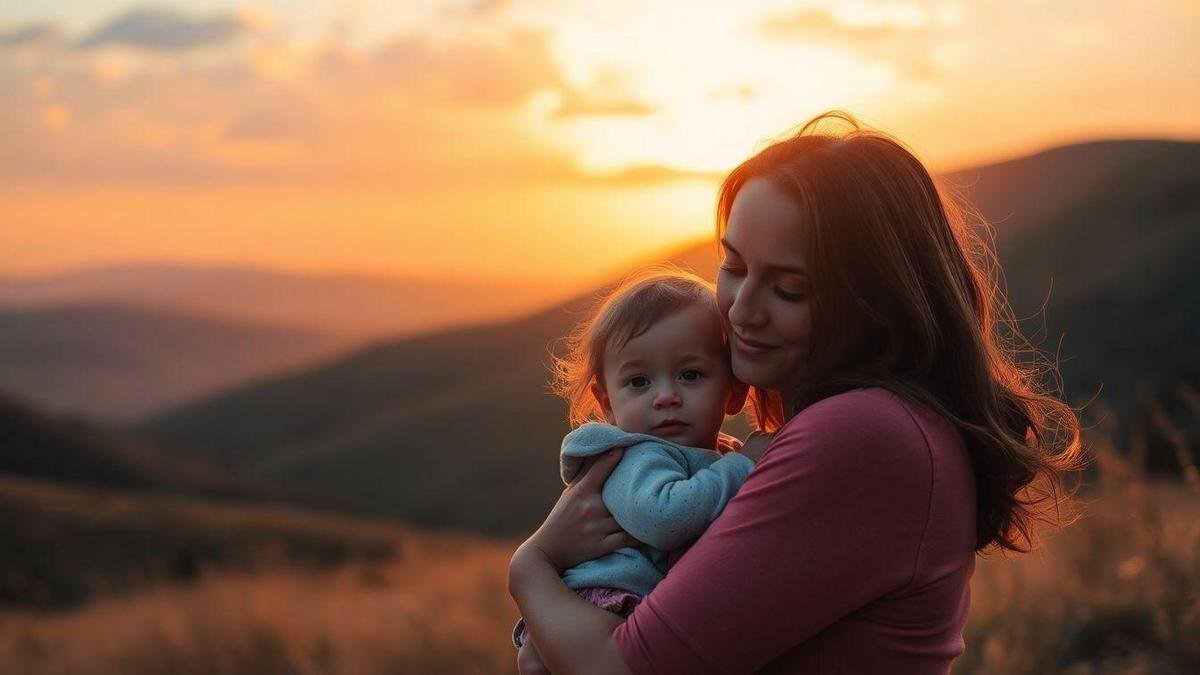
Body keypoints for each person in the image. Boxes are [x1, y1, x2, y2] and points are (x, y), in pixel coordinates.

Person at [508, 111, 1084, 673]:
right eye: (732, 265)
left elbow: (620, 666)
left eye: (788, 288)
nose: (740, 309)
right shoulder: (880, 424)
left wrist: (531, 568)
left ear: (875, 299)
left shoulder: (863, 434)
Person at [514, 269, 772, 674]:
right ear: (607, 403)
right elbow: (667, 520)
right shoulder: (636, 457)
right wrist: (745, 466)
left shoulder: (714, 455)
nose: (666, 396)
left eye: (690, 375)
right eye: (638, 381)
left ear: (735, 390)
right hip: (607, 600)